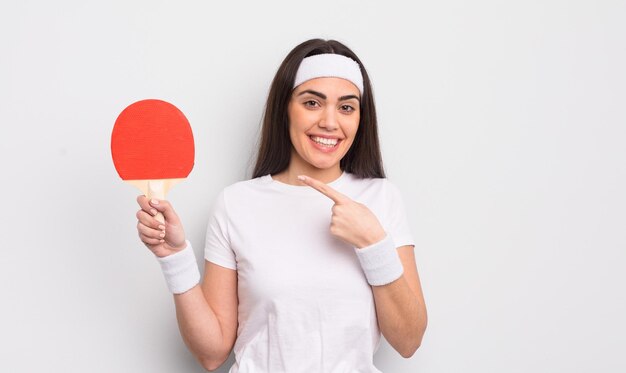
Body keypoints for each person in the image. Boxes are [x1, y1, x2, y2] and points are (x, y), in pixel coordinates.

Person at [135, 38, 427, 372]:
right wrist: (174, 257)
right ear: (285, 108)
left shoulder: (381, 198)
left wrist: (373, 243)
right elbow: (212, 352)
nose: (330, 122)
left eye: (346, 107)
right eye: (312, 103)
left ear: (361, 118)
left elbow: (409, 340)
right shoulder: (236, 204)